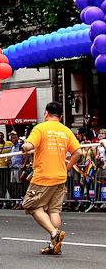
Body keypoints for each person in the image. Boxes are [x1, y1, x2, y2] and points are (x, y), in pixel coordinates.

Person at [21, 102, 82, 255]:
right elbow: (78, 152)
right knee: (53, 210)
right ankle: (54, 243)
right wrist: (67, 168)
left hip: (43, 177)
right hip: (60, 177)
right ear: (60, 116)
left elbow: (28, 145)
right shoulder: (66, 131)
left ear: (46, 113)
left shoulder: (40, 128)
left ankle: (54, 234)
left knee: (31, 205)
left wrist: (25, 147)